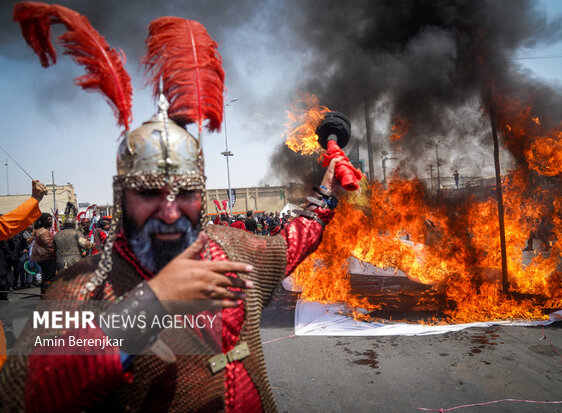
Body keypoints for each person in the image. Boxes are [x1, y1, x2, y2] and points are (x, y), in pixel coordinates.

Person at [1, 10, 345, 412]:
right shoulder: (81, 288)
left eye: (184, 193)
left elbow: (290, 242)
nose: (169, 212)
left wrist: (326, 197)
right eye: (149, 193)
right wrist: (153, 301)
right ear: (122, 196)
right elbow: (18, 393)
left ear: (201, 196)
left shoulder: (233, 250)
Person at [30, 213, 56, 294]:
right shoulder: (44, 232)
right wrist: (55, 253)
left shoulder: (40, 230)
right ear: (43, 221)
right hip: (47, 258)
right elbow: (49, 245)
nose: (51, 221)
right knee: (49, 278)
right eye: (48, 219)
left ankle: (44, 293)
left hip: (43, 258)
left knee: (46, 277)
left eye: (51, 219)